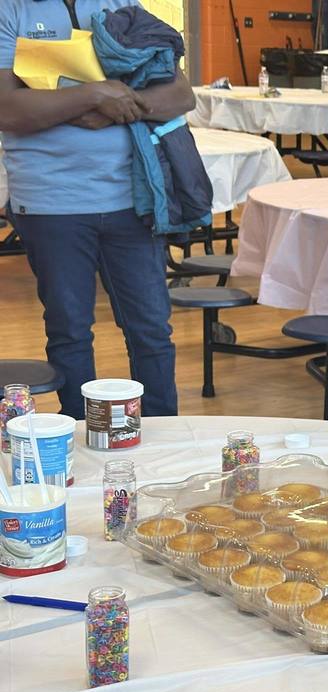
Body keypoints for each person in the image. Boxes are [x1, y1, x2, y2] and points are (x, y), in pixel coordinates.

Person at [0, 0, 195, 419]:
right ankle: (81, 439)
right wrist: (92, 94)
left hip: (133, 198)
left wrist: (112, 110)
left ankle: (162, 438)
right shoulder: (9, 11)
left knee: (151, 331)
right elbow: (7, 109)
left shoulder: (122, 5)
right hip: (49, 202)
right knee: (69, 332)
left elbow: (181, 94)